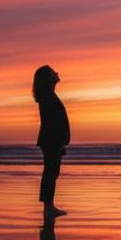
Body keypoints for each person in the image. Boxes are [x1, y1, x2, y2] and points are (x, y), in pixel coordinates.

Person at [33, 65, 71, 216]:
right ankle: (48, 208)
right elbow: (52, 122)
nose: (57, 72)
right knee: (51, 172)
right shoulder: (48, 97)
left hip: (51, 140)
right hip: (51, 140)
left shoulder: (49, 95)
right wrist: (57, 142)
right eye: (53, 71)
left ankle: (49, 207)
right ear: (48, 78)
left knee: (51, 172)